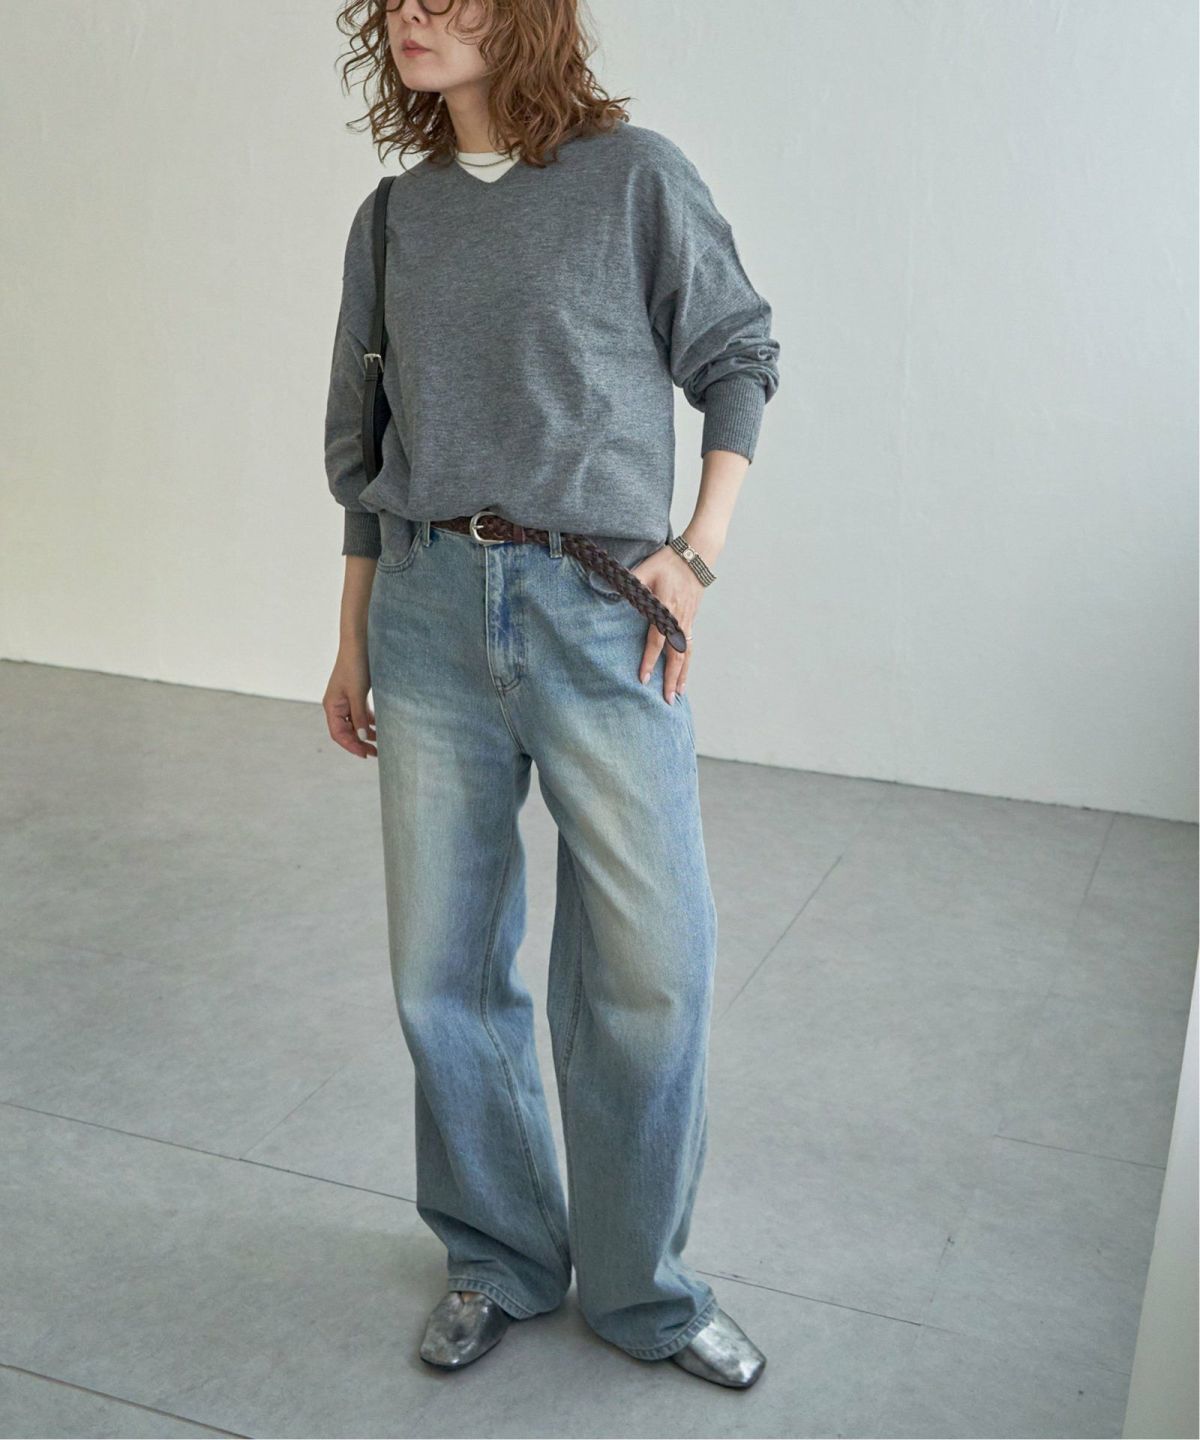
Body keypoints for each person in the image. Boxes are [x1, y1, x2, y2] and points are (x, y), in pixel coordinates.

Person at [322, 0, 781, 1389]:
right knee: (444, 969)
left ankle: (644, 1291)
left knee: (650, 966)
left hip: (600, 617)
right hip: (427, 611)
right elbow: (361, 453)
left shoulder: (632, 179)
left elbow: (737, 357)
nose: (414, 13)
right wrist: (352, 641)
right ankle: (498, 1257)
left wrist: (697, 555)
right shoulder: (393, 220)